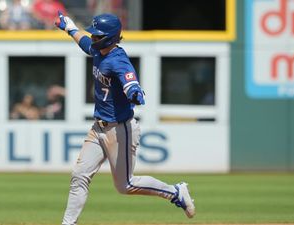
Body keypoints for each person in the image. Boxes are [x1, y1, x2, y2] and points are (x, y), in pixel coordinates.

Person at [55, 12, 196, 225]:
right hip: (98, 128)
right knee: (79, 175)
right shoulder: (99, 50)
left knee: (126, 185)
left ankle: (175, 192)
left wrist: (134, 92)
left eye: (97, 35)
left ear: (109, 37)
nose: (93, 37)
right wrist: (70, 28)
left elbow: (129, 80)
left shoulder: (118, 59)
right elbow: (85, 43)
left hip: (119, 130)